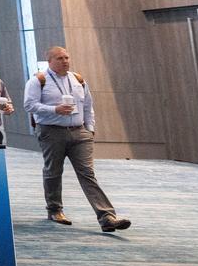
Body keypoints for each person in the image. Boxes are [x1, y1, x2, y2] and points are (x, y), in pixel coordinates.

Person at [23, 46, 131, 232]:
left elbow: (88, 106)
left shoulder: (78, 79)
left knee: (87, 173)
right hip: (51, 131)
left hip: (79, 132)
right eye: (60, 58)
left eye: (66, 57)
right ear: (49, 61)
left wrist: (90, 129)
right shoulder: (38, 80)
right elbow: (29, 105)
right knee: (53, 171)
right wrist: (54, 109)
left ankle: (106, 216)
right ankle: (55, 210)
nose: (65, 61)